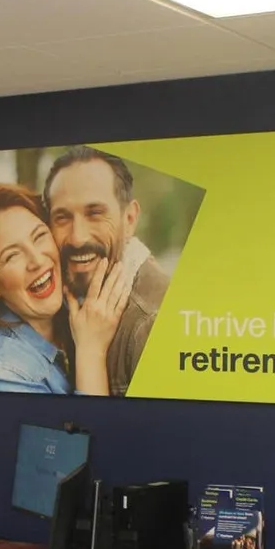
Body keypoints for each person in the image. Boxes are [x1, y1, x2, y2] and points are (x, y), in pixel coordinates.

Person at [0, 182, 129, 394]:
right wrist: (91, 352)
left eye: (39, 236)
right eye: (12, 256)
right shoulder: (0, 373)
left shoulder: (74, 307)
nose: (37, 260)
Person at [44, 145, 170, 396]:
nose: (78, 238)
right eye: (62, 217)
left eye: (95, 213)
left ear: (129, 219)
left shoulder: (151, 323)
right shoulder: (58, 303)